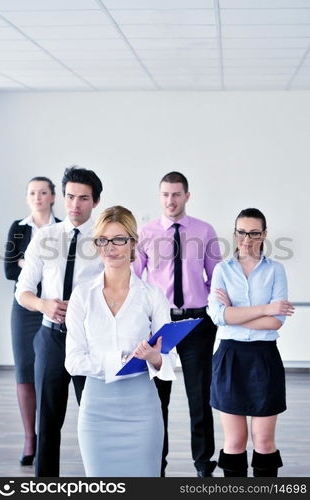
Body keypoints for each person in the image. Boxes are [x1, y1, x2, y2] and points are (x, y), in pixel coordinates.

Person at [65, 205, 177, 477]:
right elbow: (73, 361)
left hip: (143, 411)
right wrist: (122, 360)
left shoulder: (152, 296)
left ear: (133, 243)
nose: (110, 247)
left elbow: (169, 359)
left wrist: (154, 357)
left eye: (118, 239)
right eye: (103, 240)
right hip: (96, 413)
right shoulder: (82, 296)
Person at [15, 166, 103, 477]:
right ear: (62, 198)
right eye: (69, 197)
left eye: (83, 198)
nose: (75, 204)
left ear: (95, 202)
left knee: (92, 417)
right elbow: (22, 291)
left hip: (88, 341)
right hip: (50, 337)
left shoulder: (104, 242)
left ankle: (101, 478)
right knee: (48, 421)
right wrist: (43, 304)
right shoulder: (45, 238)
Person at [133, 171, 221, 477]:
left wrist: (210, 309)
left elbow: (216, 278)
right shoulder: (145, 233)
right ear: (160, 197)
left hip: (197, 323)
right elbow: (135, 281)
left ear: (187, 196)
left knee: (200, 397)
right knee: (159, 400)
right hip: (161, 324)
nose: (171, 200)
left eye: (176, 194)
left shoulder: (205, 231)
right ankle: (157, 466)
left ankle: (203, 464)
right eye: (165, 195)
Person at [207, 208, 294, 477]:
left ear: (264, 235)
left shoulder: (276, 270)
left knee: (264, 442)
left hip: (263, 357)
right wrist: (265, 307)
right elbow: (218, 316)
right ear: (235, 234)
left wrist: (235, 313)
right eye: (241, 232)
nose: (247, 239)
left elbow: (276, 321)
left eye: (254, 233)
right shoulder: (222, 269)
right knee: (234, 442)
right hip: (230, 357)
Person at [4, 176, 60, 466]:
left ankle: (48, 434)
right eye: (32, 193)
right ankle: (30, 438)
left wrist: (29, 262)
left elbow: (63, 269)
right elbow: (9, 270)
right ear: (27, 198)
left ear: (52, 196)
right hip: (24, 309)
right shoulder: (19, 228)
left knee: (48, 373)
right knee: (25, 371)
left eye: (43, 192)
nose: (37, 197)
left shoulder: (62, 228)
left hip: (53, 308)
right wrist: (32, 262)